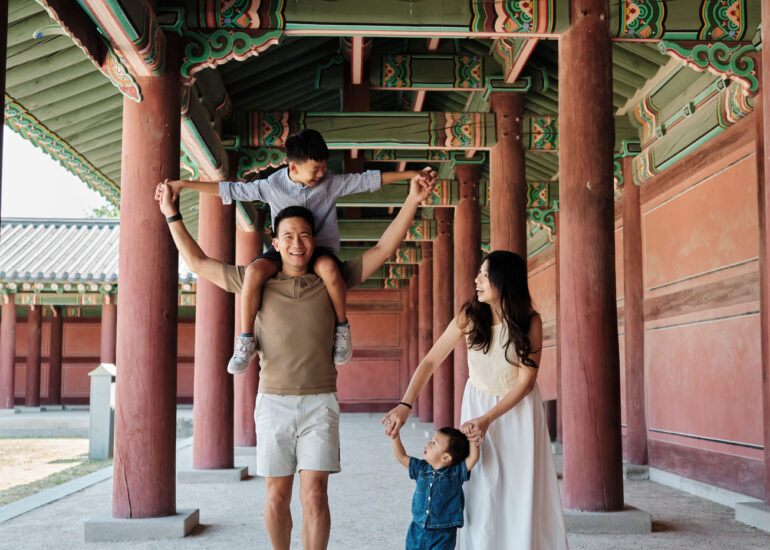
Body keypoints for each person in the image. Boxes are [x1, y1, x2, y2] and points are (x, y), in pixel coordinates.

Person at [157, 171, 435, 550]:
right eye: (288, 236)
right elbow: (197, 261)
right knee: (275, 497)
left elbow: (384, 248)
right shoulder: (256, 281)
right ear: (275, 242)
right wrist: (172, 214)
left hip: (320, 402)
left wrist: (412, 200)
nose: (297, 243)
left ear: (315, 241)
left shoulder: (331, 276)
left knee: (315, 496)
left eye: (304, 236)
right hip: (273, 404)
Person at [160, 128, 432, 374]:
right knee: (254, 270)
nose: (320, 175)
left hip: (321, 250)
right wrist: (183, 185)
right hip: (283, 253)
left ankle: (342, 329)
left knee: (328, 269)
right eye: (315, 171)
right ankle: (245, 339)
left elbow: (368, 180)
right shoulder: (271, 186)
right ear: (293, 167)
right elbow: (229, 190)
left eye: (323, 169)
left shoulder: (331, 182)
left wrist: (411, 175)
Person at [382, 251, 568, 549]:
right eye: (479, 273)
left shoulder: (529, 321)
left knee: (520, 490)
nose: (476, 280)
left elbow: (526, 382)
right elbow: (430, 361)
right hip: (477, 406)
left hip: (517, 411)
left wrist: (488, 419)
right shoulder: (469, 316)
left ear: (504, 281)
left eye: (485, 274)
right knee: (480, 487)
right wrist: (405, 405)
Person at [390, 427, 479, 550]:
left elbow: (473, 458)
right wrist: (395, 436)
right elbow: (401, 456)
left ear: (446, 457)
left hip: (443, 534)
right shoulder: (421, 468)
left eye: (434, 443)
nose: (428, 443)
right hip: (417, 530)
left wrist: (473, 438)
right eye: (431, 440)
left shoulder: (455, 473)